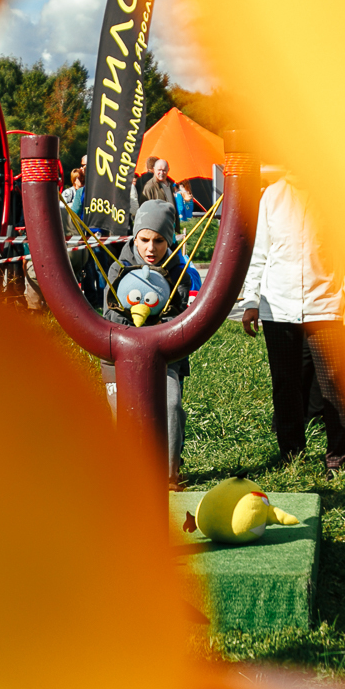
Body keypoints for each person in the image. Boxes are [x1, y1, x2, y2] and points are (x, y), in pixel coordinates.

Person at [237, 167, 345, 472]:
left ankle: (338, 461)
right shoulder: (272, 196)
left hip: (326, 305)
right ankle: (291, 456)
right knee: (285, 384)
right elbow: (259, 253)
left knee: (334, 384)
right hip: (278, 306)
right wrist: (251, 300)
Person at [100, 199, 191, 485]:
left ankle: (168, 476)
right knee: (123, 414)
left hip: (164, 356)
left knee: (170, 406)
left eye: (159, 241)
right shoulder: (118, 268)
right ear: (135, 237)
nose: (151, 248)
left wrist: (154, 326)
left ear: (170, 240)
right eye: (144, 240)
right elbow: (110, 315)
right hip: (119, 357)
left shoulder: (178, 271)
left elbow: (178, 316)